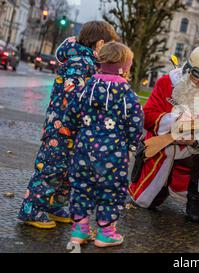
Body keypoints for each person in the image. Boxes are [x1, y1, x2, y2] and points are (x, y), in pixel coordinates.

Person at [17, 21, 119, 229]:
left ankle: (54, 205)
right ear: (100, 44)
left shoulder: (89, 64)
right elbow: (75, 96)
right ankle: (31, 208)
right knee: (51, 170)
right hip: (61, 128)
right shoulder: (80, 63)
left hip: (75, 130)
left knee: (69, 172)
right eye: (109, 47)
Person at [129, 46, 199, 224]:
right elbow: (148, 115)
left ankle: (193, 202)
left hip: (193, 147)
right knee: (151, 203)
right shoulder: (166, 83)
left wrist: (196, 139)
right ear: (188, 69)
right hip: (163, 143)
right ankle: (161, 187)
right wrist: (174, 123)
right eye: (197, 75)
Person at [64, 42, 143, 247]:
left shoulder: (87, 87)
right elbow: (135, 121)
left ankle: (79, 231)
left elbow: (71, 114)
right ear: (125, 67)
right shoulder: (126, 93)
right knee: (110, 189)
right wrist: (132, 144)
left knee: (81, 187)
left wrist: (74, 130)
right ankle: (106, 233)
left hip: (84, 149)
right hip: (113, 154)